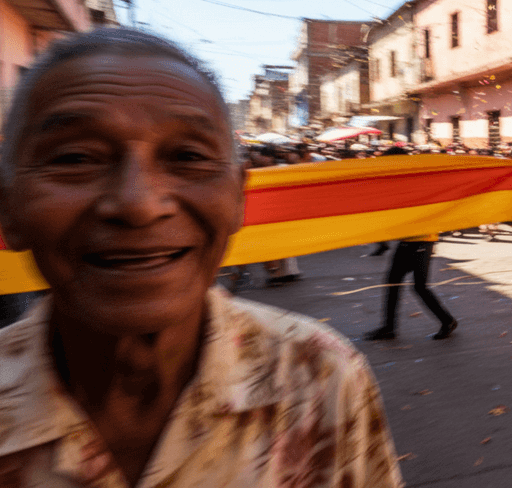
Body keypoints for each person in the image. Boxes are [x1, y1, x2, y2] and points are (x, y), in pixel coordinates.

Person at [0, 28, 402, 487]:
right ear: (7, 206)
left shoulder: (318, 376)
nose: (139, 204)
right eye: (74, 158)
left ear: (237, 199)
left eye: (187, 156)